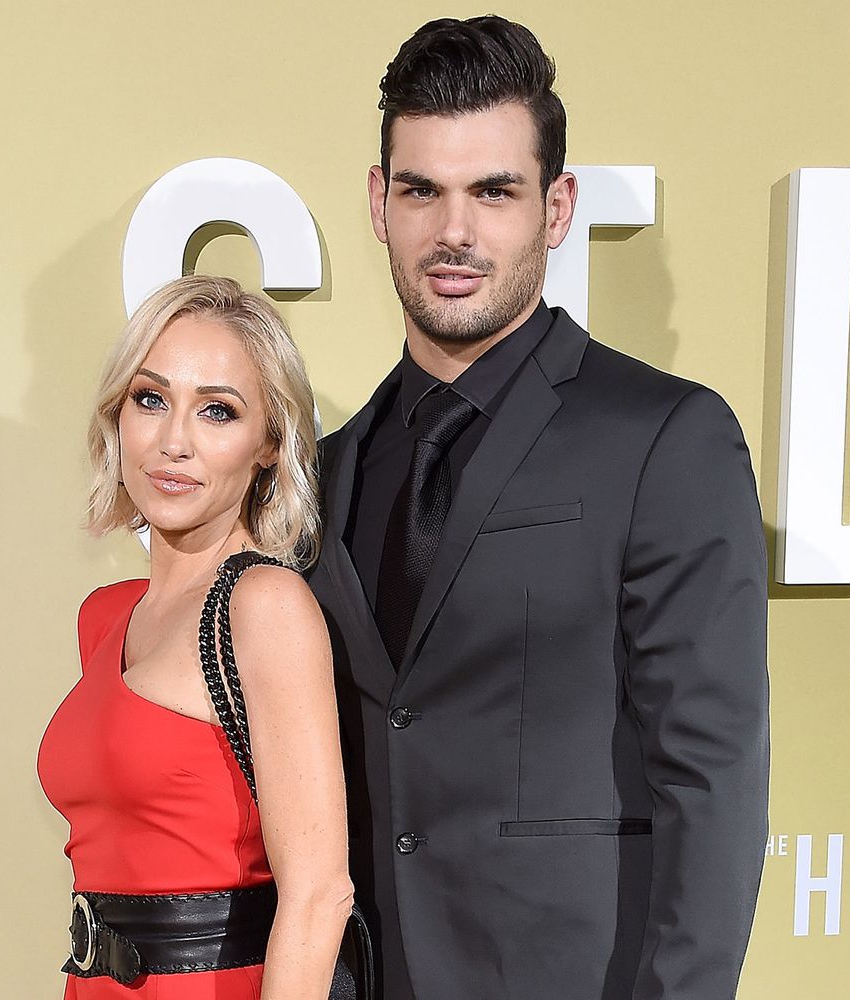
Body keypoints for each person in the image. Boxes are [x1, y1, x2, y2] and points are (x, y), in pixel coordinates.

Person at [307, 16, 770, 1000]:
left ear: (556, 208)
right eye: (423, 189)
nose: (455, 231)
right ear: (380, 202)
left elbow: (712, 786)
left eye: (494, 192)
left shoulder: (662, 439)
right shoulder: (328, 470)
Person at [38, 274, 354, 999]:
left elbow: (319, 894)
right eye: (150, 399)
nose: (173, 441)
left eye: (218, 411)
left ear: (269, 444)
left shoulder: (262, 605)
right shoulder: (105, 616)